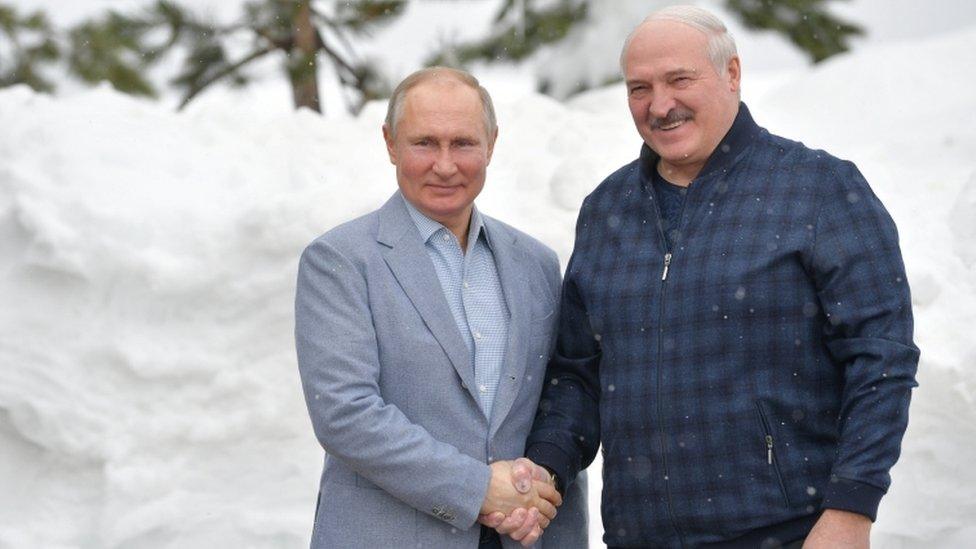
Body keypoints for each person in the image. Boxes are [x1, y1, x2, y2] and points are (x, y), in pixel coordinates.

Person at [510, 5, 919, 548]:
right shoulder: (607, 211)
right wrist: (545, 468)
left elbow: (881, 361)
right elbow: (579, 376)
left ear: (731, 74)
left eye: (679, 79)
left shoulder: (818, 189)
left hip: (788, 533)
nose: (660, 105)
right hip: (640, 537)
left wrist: (852, 506)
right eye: (639, 88)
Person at [294, 66, 587, 549]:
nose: (445, 165)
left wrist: (538, 479)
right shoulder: (341, 261)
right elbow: (345, 413)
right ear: (390, 143)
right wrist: (477, 490)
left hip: (526, 538)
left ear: (491, 144)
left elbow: (559, 391)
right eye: (424, 143)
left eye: (464, 144)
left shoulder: (535, 263)